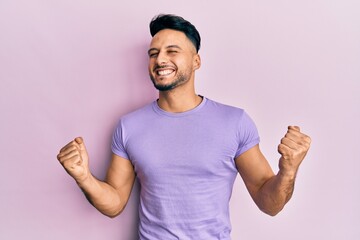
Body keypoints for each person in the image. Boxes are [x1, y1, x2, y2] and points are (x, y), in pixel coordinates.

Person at [57, 14, 311, 239]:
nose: (160, 60)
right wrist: (84, 178)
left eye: (172, 51)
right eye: (154, 53)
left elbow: (269, 204)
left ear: (196, 61)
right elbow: (115, 203)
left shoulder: (234, 122)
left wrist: (288, 171)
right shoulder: (129, 126)